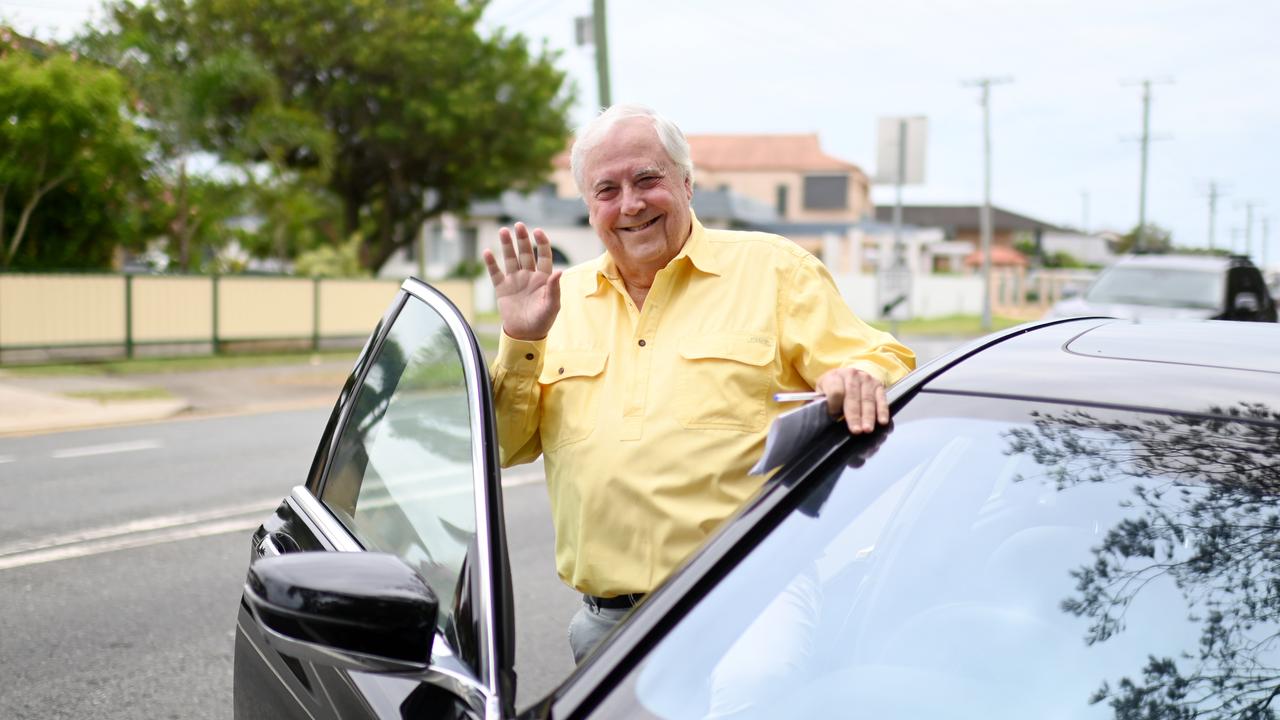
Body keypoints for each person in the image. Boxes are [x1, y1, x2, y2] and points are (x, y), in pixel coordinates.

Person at [482, 104, 915, 663]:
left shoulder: (773, 270)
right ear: (589, 207)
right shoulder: (554, 302)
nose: (631, 204)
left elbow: (884, 359)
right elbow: (504, 445)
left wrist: (860, 376)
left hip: (749, 599)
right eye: (606, 190)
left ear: (687, 184)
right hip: (607, 626)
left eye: (647, 179)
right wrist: (520, 336)